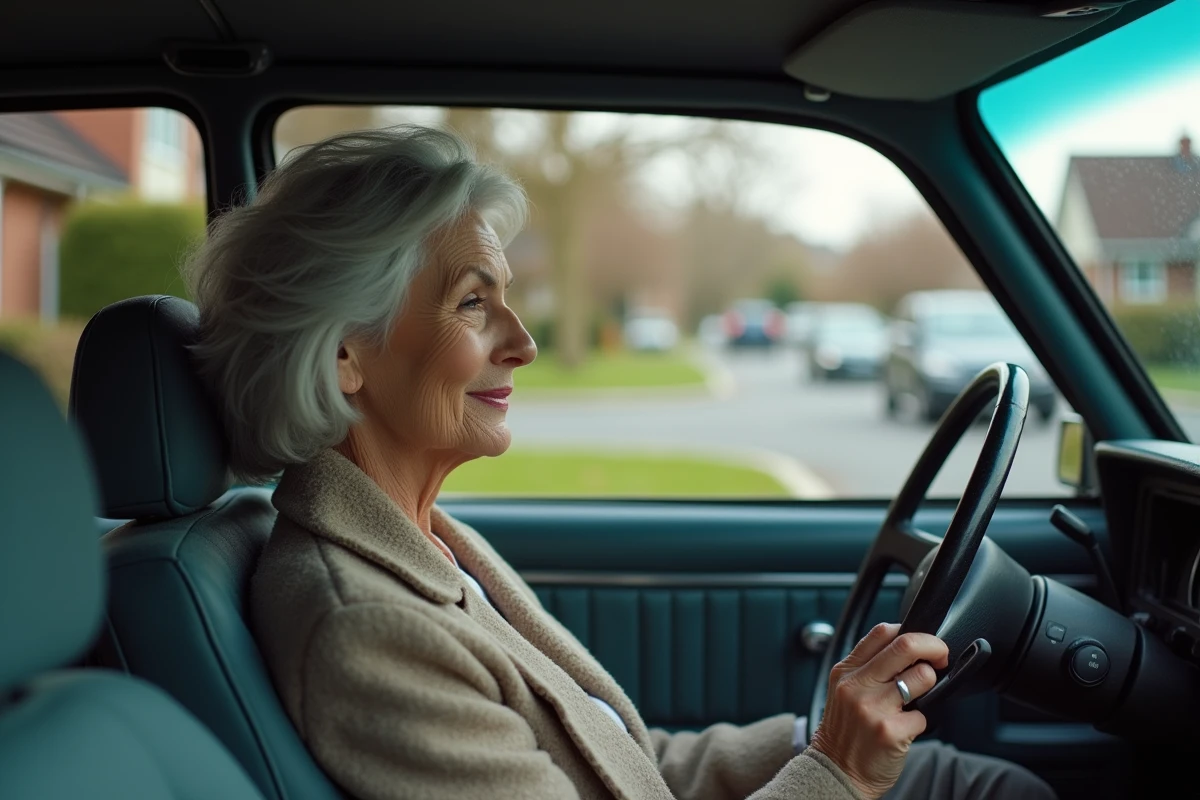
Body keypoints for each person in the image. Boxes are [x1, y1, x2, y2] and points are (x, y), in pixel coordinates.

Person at [184, 125, 1056, 800]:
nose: (523, 343)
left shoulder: (417, 541)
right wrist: (837, 771)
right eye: (472, 303)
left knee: (981, 785)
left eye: (507, 300)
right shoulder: (365, 628)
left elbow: (620, 766)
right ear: (347, 357)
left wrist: (813, 741)